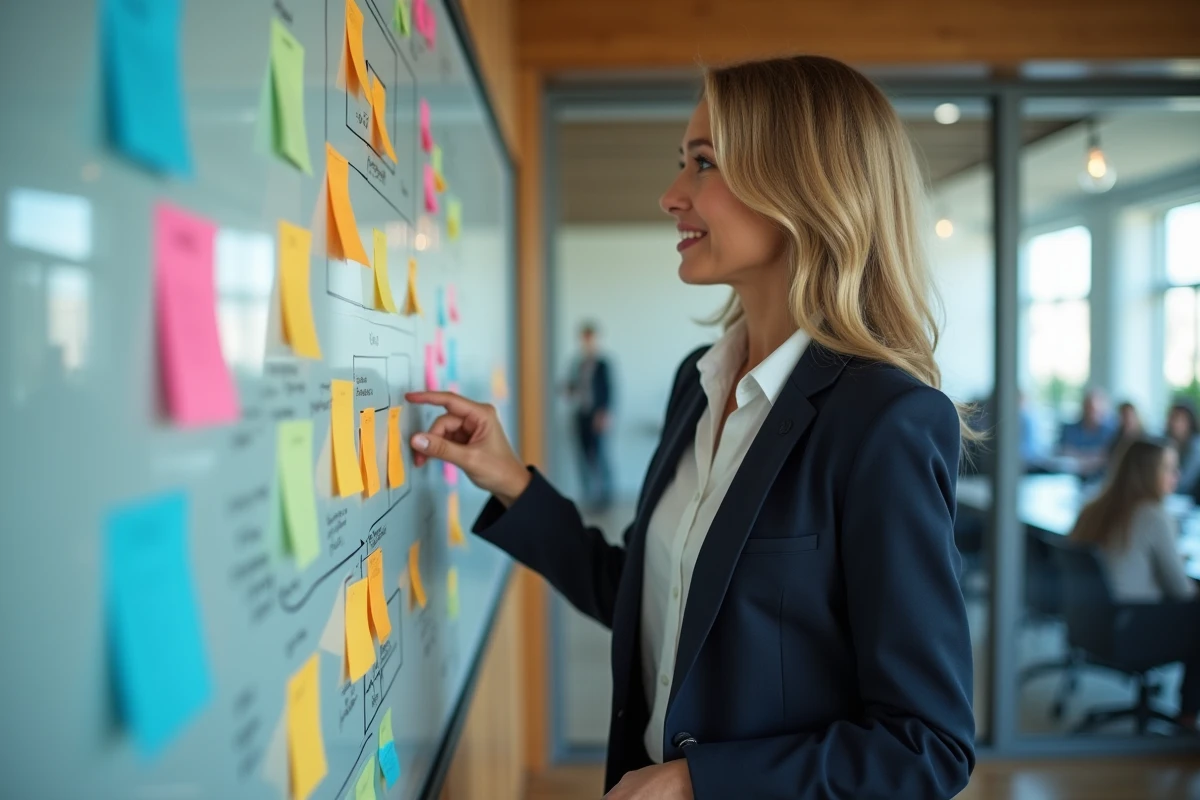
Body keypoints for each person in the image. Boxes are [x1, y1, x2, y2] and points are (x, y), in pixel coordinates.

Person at [406, 55, 976, 799]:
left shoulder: (885, 422)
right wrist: (510, 481)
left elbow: (927, 746)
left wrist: (700, 782)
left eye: (703, 163)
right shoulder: (696, 382)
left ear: (801, 185)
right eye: (683, 162)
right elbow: (656, 601)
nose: (672, 195)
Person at [1068, 437, 1200, 728]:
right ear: (1147, 473)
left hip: (1094, 626)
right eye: (1168, 469)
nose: (1176, 477)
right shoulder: (1153, 514)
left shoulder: (1093, 507)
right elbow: (1180, 590)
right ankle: (1188, 717)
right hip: (1132, 627)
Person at [565, 322, 614, 510]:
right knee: (583, 456)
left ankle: (605, 497)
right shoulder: (577, 364)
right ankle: (588, 495)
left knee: (600, 456)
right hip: (581, 415)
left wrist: (604, 414)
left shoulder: (603, 364)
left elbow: (609, 390)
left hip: (597, 415)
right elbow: (574, 387)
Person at [1057, 388, 1118, 479]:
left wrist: (1079, 456)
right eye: (1088, 407)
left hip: (1101, 478)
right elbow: (1063, 452)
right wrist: (1093, 457)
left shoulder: (1111, 432)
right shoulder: (1069, 429)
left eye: (1094, 409)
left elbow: (1108, 457)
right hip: (1070, 477)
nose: (1091, 412)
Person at [1166, 400, 1200, 498]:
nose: (1175, 424)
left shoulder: (1196, 446)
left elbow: (1185, 482)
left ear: (1190, 422)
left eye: (1181, 419)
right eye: (1173, 418)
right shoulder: (1167, 442)